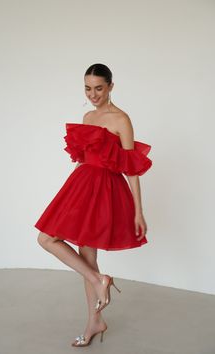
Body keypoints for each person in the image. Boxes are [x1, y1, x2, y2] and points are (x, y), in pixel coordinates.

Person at [34, 63, 152, 347]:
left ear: (111, 86)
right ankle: (98, 290)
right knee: (47, 239)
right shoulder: (87, 117)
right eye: (87, 88)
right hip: (82, 184)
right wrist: (70, 191)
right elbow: (82, 158)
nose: (93, 94)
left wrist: (138, 210)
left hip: (105, 190)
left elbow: (131, 168)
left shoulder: (121, 119)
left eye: (99, 88)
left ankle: (93, 319)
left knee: (86, 256)